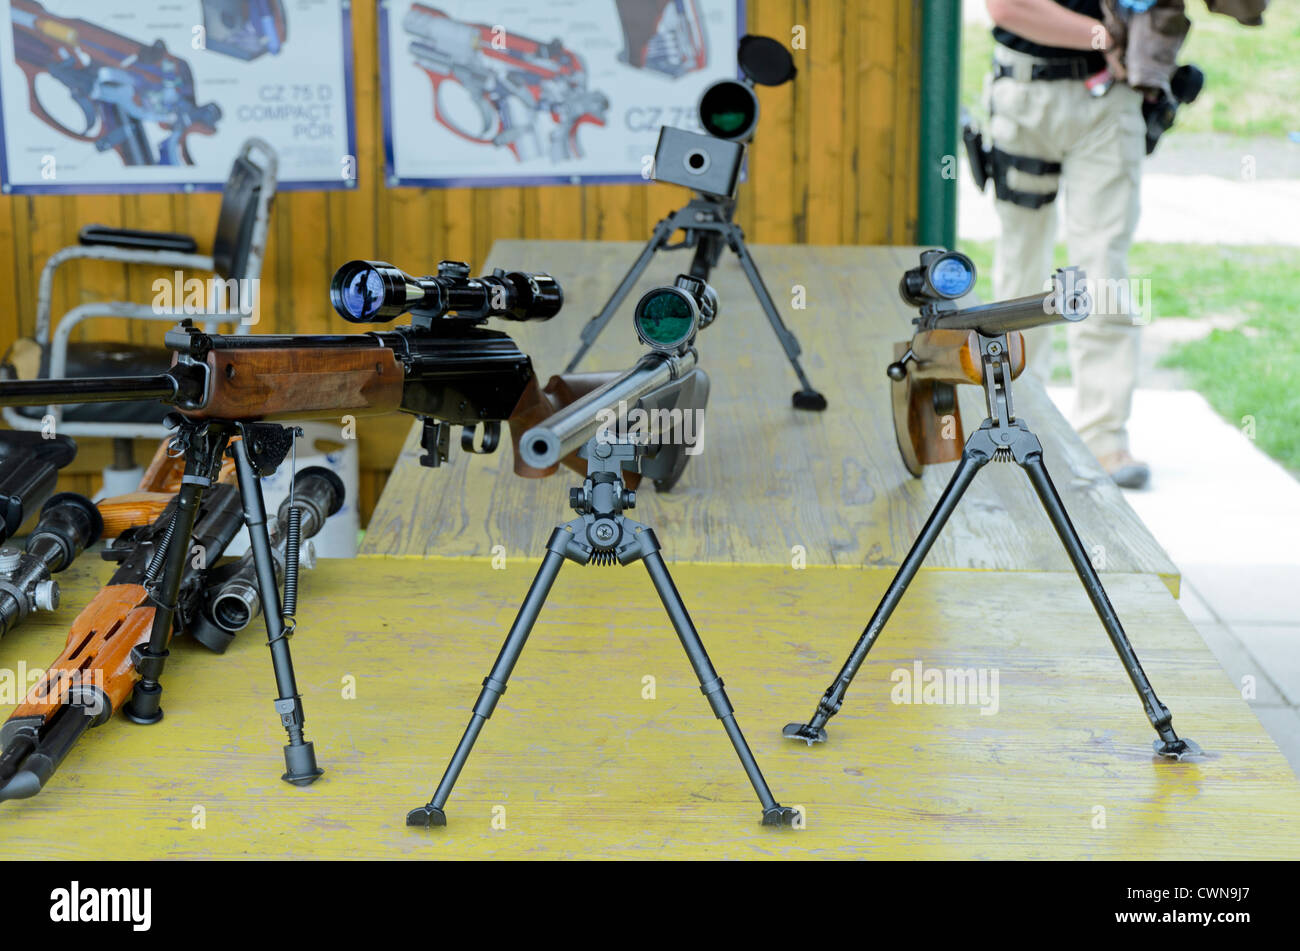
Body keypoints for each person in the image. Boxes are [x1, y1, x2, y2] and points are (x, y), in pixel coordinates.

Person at [984, 0, 1150, 489]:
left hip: (1108, 97)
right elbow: (1007, 7)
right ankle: (1015, 421)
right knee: (1021, 262)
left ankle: (1104, 436)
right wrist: (1108, 38)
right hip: (1027, 92)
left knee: (1104, 264)